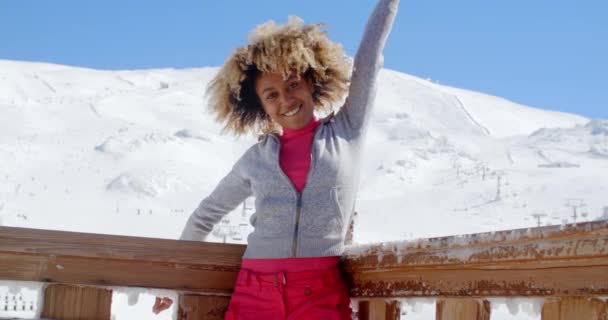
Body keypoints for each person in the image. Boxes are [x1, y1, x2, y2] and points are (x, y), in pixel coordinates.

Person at [154, 0, 399, 318]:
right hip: (254, 292)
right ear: (262, 107)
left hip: (320, 294)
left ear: (311, 83)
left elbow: (370, 58)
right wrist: (175, 280)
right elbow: (204, 217)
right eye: (271, 95)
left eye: (293, 84)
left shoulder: (347, 131)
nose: (286, 99)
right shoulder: (255, 160)